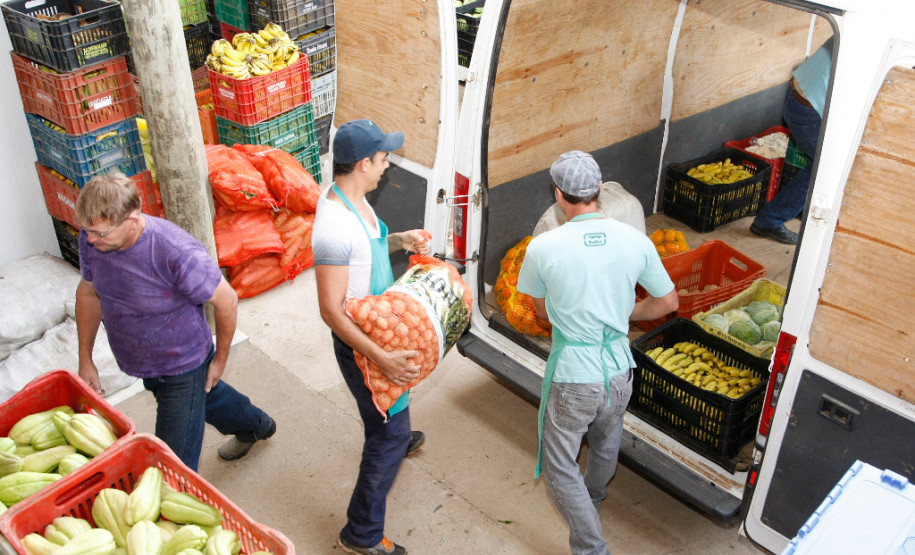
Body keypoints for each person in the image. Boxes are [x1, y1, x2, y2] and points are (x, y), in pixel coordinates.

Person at [517, 151, 678, 555]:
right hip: (621, 369)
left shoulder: (543, 248)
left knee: (559, 466)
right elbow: (667, 303)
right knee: (606, 444)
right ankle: (595, 500)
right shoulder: (635, 241)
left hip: (575, 375)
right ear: (600, 188)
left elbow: (537, 309)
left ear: (559, 194)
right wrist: (626, 313)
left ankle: (591, 548)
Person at [74, 172, 275, 471]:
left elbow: (227, 301)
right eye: (87, 230)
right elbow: (89, 293)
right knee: (207, 397)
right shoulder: (94, 239)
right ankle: (256, 425)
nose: (90, 239)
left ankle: (248, 424)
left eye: (100, 233)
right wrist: (85, 358)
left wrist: (220, 359)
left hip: (182, 364)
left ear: (131, 219)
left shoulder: (176, 252)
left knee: (171, 468)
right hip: (141, 359)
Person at [313, 119, 431, 555]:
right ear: (363, 163)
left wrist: (401, 239)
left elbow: (372, 247)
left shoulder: (358, 200)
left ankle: (396, 428)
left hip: (378, 331)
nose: (387, 166)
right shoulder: (334, 227)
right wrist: (381, 358)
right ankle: (360, 535)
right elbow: (330, 309)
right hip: (363, 347)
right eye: (383, 159)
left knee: (387, 417)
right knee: (386, 436)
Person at [751, 36, 834, 245]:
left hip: (799, 97)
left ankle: (795, 208)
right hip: (808, 108)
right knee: (823, 168)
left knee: (819, 164)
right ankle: (769, 220)